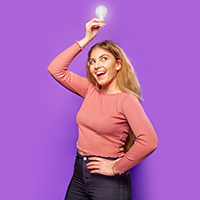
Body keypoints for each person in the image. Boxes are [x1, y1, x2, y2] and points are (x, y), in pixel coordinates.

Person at [47, 18, 158, 200]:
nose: (96, 65)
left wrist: (116, 167)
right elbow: (55, 69)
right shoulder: (90, 89)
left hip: (109, 182)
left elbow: (149, 141)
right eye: (92, 62)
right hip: (79, 172)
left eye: (103, 59)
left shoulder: (127, 100)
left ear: (118, 65)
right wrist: (86, 39)